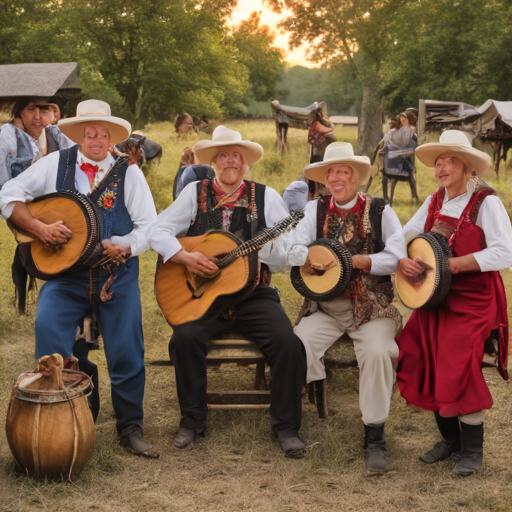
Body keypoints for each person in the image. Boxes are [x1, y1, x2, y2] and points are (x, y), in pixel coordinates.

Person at [0, 99, 159, 458]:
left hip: (114, 276)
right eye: (90, 132)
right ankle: (61, 420)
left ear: (111, 136)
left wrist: (126, 246)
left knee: (126, 350)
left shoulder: (129, 172)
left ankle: (130, 427)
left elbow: (149, 226)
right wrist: (38, 227)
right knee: (49, 333)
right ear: (79, 134)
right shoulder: (56, 163)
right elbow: (8, 194)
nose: (97, 139)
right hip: (65, 275)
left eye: (103, 133)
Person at [149, 125, 307, 458]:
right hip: (203, 296)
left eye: (237, 155)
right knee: (183, 339)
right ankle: (192, 421)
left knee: (289, 344)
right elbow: (157, 231)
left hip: (254, 295)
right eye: (224, 155)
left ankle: (287, 427)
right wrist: (185, 257)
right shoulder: (194, 192)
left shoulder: (267, 197)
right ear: (214, 161)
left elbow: (286, 256)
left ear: (246, 162)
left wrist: (251, 251)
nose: (231, 161)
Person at [396, 130, 512, 476]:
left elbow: (505, 251)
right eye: (439, 162)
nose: (442, 167)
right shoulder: (434, 200)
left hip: (474, 300)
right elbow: (406, 234)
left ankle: (472, 451)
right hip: (435, 296)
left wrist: (456, 264)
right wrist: (405, 257)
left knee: (455, 359)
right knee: (417, 350)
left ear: (467, 167)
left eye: (450, 160)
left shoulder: (485, 201)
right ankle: (451, 440)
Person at [287, 142, 406, 474]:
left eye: (343, 172)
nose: (336, 178)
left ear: (356, 178)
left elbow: (398, 256)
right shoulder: (315, 209)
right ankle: (289, 420)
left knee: (380, 351)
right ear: (324, 179)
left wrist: (357, 261)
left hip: (371, 306)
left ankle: (375, 436)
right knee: (295, 346)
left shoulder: (380, 210)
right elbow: (296, 246)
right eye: (331, 172)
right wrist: (301, 254)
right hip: (325, 307)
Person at [0, 97, 75, 315]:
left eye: (44, 110)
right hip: (21, 203)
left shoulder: (53, 133)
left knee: (55, 243)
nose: (38, 116)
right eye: (31, 109)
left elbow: (76, 154)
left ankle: (51, 301)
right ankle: (35, 302)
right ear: (19, 113)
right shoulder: (8, 133)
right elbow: (3, 180)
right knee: (32, 243)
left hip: (54, 202)